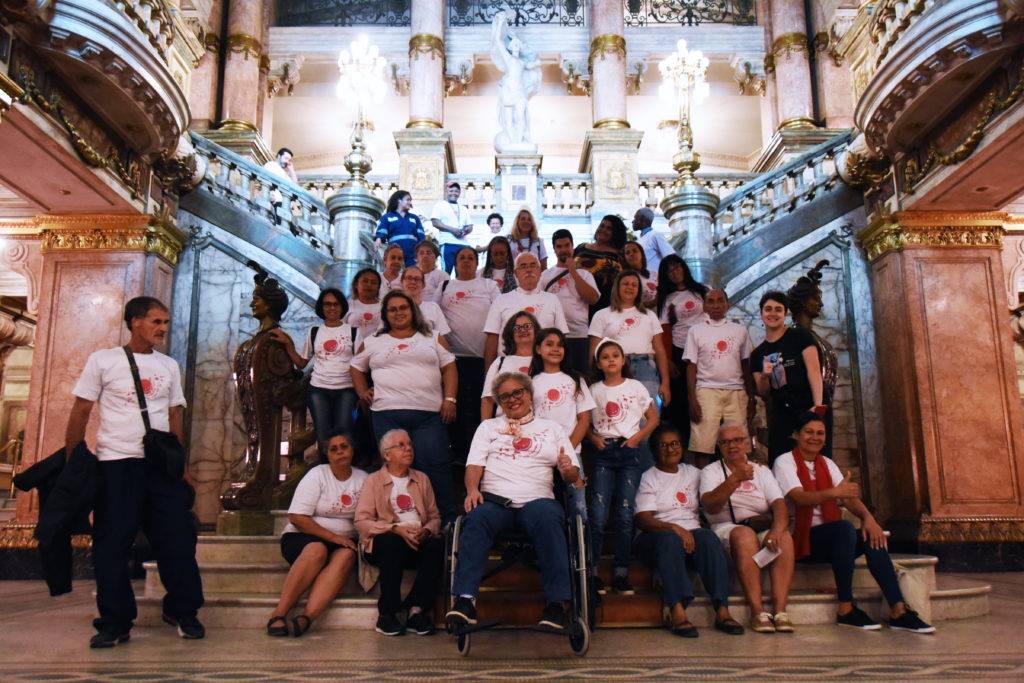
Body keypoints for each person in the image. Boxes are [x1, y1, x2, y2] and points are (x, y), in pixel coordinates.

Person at [65, 296, 204, 648]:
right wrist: (74, 460)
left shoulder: (169, 366)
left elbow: (174, 416)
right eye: (156, 322)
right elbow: (81, 410)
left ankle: (182, 610)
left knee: (177, 540)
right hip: (116, 464)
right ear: (135, 321)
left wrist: (182, 466)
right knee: (111, 545)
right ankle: (114, 622)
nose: (162, 329)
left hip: (160, 467)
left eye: (165, 323)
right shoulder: (104, 360)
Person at [773, 412, 935, 633]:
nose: (815, 437)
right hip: (800, 539)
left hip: (835, 539)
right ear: (796, 435)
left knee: (871, 537)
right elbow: (799, 498)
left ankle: (898, 609)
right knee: (844, 529)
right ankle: (846, 609)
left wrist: (869, 519)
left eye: (820, 433)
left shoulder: (827, 463)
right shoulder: (784, 462)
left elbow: (848, 498)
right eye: (809, 432)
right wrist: (835, 492)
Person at [446, 372, 581, 630]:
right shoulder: (488, 428)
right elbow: (474, 465)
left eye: (517, 392)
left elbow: (572, 474)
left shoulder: (552, 429)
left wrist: (567, 470)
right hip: (496, 502)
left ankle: (557, 605)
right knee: (476, 517)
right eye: (505, 396)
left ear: (529, 394)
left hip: (537, 500)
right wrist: (472, 489)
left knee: (549, 519)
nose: (512, 399)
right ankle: (465, 601)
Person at [350, 290, 459, 524]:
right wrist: (362, 391)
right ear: (385, 315)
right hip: (387, 416)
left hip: (429, 415)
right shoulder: (373, 341)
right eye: (393, 309)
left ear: (413, 310)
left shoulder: (433, 337)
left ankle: (446, 524)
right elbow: (356, 367)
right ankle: (399, 523)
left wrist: (450, 400)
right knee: (395, 471)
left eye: (403, 308)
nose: (399, 312)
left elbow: (449, 367)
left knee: (436, 467)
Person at [634, 424, 744, 638]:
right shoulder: (650, 477)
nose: (670, 449)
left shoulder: (693, 473)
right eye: (663, 445)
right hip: (655, 538)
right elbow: (642, 519)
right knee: (670, 540)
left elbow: (721, 476)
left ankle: (722, 610)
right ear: (655, 450)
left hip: (691, 536)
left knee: (709, 539)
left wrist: (748, 463)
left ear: (682, 447)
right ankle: (677, 610)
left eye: (674, 444)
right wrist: (675, 528)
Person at [267, 431, 366, 637]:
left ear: (352, 450)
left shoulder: (363, 479)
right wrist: (332, 537)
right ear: (327, 455)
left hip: (344, 542)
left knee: (347, 555)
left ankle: (306, 618)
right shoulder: (317, 475)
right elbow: (297, 517)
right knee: (317, 550)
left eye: (344, 447)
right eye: (333, 449)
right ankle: (279, 613)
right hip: (302, 536)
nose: (339, 452)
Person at [700, 423, 795, 634]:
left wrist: (777, 530)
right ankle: (757, 611)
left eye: (737, 440)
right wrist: (734, 480)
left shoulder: (761, 470)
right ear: (719, 447)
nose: (732, 446)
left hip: (759, 525)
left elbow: (779, 505)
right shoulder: (711, 471)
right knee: (744, 536)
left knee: (785, 538)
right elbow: (710, 505)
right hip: (726, 528)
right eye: (725, 442)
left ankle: (780, 611)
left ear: (748, 443)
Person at [587, 338, 659, 595]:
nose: (611, 360)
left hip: (629, 451)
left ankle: (620, 573)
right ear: (599, 363)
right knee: (597, 514)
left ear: (623, 360)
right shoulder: (594, 389)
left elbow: (652, 419)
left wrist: (637, 438)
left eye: (615, 355)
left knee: (625, 514)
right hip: (605, 452)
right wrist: (594, 439)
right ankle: (593, 573)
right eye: (605, 357)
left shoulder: (636, 386)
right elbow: (583, 421)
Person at [355, 429, 444, 637]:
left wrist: (426, 530)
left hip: (416, 540)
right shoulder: (373, 481)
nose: (408, 449)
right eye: (401, 445)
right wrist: (394, 529)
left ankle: (416, 610)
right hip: (385, 544)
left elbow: (435, 518)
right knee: (392, 542)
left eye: (410, 444)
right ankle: (387, 613)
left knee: (437, 543)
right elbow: (362, 522)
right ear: (387, 454)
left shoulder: (422, 479)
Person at [270, 288, 357, 462]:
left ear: (342, 307)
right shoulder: (315, 332)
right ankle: (325, 473)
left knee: (344, 433)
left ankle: (344, 474)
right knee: (323, 435)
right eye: (327, 304)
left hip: (346, 389)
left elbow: (361, 363)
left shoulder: (354, 332)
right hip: (319, 390)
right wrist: (288, 343)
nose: (331, 308)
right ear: (321, 307)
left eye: (335, 304)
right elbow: (301, 363)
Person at [529, 327, 595, 527]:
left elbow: (584, 419)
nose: (556, 349)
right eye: (550, 344)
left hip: (571, 452)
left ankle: (581, 553)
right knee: (545, 508)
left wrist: (566, 448)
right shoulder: (531, 382)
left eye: (560, 345)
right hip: (541, 455)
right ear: (538, 349)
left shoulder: (575, 380)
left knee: (578, 511)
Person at [750, 291, 826, 463]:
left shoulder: (800, 336)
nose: (773, 313)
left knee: (815, 460)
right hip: (782, 411)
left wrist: (818, 407)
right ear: (762, 314)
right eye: (768, 309)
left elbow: (814, 371)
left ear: (785, 314)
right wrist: (763, 375)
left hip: (809, 404)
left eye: (778, 309)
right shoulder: (757, 354)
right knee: (781, 461)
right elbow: (763, 392)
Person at [683, 288, 755, 467]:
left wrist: (751, 397)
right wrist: (692, 398)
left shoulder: (740, 331)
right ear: (705, 306)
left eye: (720, 301)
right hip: (706, 390)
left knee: (739, 445)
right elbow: (691, 366)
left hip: (737, 391)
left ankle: (740, 489)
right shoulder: (696, 331)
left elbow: (746, 365)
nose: (716, 305)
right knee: (703, 445)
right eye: (711, 301)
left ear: (727, 305)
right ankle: (705, 490)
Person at [440, 246, 500, 459]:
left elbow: (499, 316)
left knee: (480, 406)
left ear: (477, 263)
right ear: (456, 263)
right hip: (453, 359)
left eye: (470, 258)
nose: (466, 261)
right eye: (462, 258)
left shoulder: (488, 285)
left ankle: (480, 453)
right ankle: (456, 452)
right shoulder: (445, 285)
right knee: (453, 406)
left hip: (483, 359)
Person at [589, 270, 671, 407]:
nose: (630, 287)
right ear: (617, 288)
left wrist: (666, 382)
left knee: (647, 415)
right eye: (625, 284)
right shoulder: (601, 315)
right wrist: (594, 378)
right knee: (617, 412)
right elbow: (594, 351)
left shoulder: (649, 315)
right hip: (613, 367)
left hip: (646, 366)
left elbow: (660, 350)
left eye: (634, 285)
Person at [656, 255, 708, 451]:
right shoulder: (667, 299)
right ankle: (682, 448)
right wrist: (668, 360)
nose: (675, 272)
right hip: (680, 350)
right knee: (680, 402)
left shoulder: (703, 290)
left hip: (705, 350)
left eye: (677, 267)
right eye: (670, 270)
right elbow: (665, 330)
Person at [482, 252, 568, 370]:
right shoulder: (501, 300)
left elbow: (561, 337)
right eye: (523, 266)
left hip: (544, 366)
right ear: (516, 273)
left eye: (533, 265)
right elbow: (492, 339)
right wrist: (489, 372)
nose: (528, 270)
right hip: (509, 367)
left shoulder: (552, 300)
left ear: (539, 271)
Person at [787, 261, 837, 456]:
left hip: (822, 407)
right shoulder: (793, 337)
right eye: (815, 298)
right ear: (802, 302)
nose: (821, 304)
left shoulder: (816, 339)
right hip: (805, 409)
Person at [540, 229, 599, 374]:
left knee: (581, 380)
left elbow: (593, 299)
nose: (563, 250)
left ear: (572, 246)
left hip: (579, 336)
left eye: (567, 245)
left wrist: (573, 270)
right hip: (553, 337)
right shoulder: (545, 276)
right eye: (559, 247)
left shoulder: (585, 274)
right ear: (554, 249)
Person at [490, 11, 542, 153]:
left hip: (519, 92)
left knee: (521, 117)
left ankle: (518, 143)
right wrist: (500, 23)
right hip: (508, 90)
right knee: (508, 121)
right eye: (514, 44)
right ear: (511, 47)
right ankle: (513, 143)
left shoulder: (522, 63)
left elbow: (535, 64)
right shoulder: (509, 59)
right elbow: (499, 42)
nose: (516, 45)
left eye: (518, 44)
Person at [481, 311, 540, 419]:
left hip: (537, 427)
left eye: (527, 326)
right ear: (510, 334)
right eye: (517, 328)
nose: (523, 330)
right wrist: (485, 430)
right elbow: (487, 399)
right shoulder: (500, 362)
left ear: (536, 330)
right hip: (505, 426)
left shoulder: (544, 361)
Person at [574, 214, 627, 314]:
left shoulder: (619, 255)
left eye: (609, 228)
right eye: (602, 226)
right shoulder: (581, 247)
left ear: (615, 233)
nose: (603, 230)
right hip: (576, 301)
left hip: (604, 304)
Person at [431, 181, 474, 273]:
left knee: (463, 272)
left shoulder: (463, 208)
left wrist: (465, 231)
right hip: (448, 243)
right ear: (447, 191)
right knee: (446, 272)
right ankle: (445, 288)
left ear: (459, 193)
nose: (454, 193)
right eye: (451, 191)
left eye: (456, 191)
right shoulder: (440, 206)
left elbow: (470, 226)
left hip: (463, 244)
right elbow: (435, 222)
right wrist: (452, 230)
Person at [374, 190, 425, 267]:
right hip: (395, 251)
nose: (410, 203)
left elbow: (421, 236)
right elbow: (382, 231)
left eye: (410, 200)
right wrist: (378, 239)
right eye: (407, 200)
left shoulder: (415, 218)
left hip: (413, 252)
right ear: (399, 200)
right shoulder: (387, 217)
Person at [399, 265, 450, 336]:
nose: (413, 282)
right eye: (409, 278)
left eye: (417, 279)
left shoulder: (433, 308)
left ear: (423, 284)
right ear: (401, 282)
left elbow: (441, 338)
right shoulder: (393, 309)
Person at [634, 207, 675, 276]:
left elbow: (670, 257)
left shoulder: (655, 235)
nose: (633, 221)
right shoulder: (638, 241)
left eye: (635, 218)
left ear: (642, 219)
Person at [345, 267, 382, 339]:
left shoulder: (385, 307)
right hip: (354, 348)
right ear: (356, 284)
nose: (369, 285)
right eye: (365, 281)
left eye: (373, 282)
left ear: (378, 287)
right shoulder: (347, 306)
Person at [263, 147, 298, 223]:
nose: (287, 162)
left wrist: (291, 170)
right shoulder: (271, 165)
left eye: (289, 160)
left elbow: (295, 187)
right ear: (279, 156)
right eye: (286, 158)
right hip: (276, 202)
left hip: (285, 205)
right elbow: (265, 180)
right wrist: (270, 193)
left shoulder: (285, 174)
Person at [622, 241, 659, 308]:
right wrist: (654, 302)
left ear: (641, 254)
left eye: (635, 251)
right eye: (627, 253)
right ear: (625, 258)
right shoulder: (625, 280)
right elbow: (632, 306)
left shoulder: (654, 273)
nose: (631, 254)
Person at [415, 240, 449, 305]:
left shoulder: (442, 275)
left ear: (435, 257)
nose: (425, 256)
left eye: (428, 253)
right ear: (417, 258)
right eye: (421, 253)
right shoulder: (412, 276)